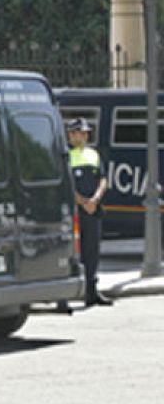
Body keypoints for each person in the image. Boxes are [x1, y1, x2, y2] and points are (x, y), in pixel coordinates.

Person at [67, 117, 113, 307]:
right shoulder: (65, 155)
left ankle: (91, 292)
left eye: (86, 133)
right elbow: (66, 184)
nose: (84, 136)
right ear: (71, 135)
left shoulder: (93, 154)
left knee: (92, 251)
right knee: (70, 252)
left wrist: (95, 199)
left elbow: (103, 179)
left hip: (92, 209)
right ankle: (64, 297)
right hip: (73, 211)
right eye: (80, 132)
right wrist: (83, 201)